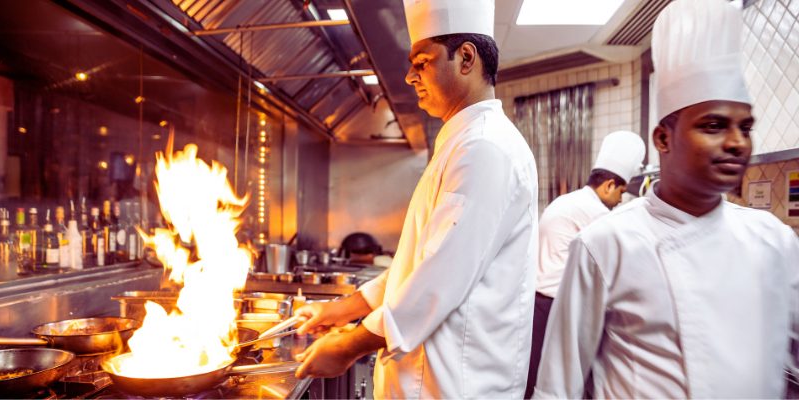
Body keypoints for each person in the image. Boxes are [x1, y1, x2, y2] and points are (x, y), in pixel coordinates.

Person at [534, 0, 799, 398]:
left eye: (745, 127)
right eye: (713, 125)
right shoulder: (607, 243)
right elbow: (558, 387)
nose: (735, 142)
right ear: (663, 139)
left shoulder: (773, 241)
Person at [293, 0, 539, 397]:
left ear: (465, 58)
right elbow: (421, 265)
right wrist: (339, 310)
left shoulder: (485, 148)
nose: (410, 76)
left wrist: (349, 345)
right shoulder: (463, 143)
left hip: (453, 388)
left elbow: (437, 280)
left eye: (421, 62)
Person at [525, 130, 645, 397]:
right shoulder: (596, 213)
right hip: (554, 304)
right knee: (557, 380)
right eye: (621, 192)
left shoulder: (570, 200)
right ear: (609, 185)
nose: (619, 200)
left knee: (535, 375)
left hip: (538, 301)